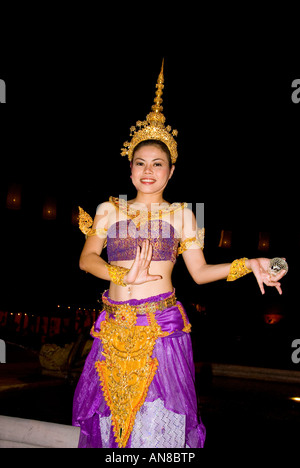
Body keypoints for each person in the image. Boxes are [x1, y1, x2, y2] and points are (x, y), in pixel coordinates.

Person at [72, 62, 287, 448]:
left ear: (170, 172)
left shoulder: (183, 213)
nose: (148, 171)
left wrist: (246, 264)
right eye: (140, 163)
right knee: (109, 430)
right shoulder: (110, 209)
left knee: (155, 430)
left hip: (162, 330)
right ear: (130, 168)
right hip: (113, 328)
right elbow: (87, 259)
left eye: (157, 164)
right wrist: (121, 275)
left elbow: (201, 272)